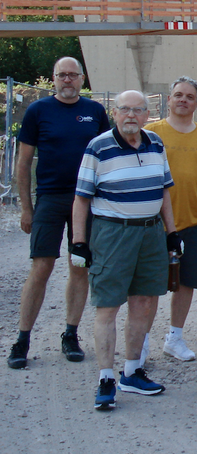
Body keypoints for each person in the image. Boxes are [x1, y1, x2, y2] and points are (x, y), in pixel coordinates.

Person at [71, 90, 180, 410]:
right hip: (112, 234)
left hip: (150, 233)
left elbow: (164, 191)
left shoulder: (156, 144)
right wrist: (79, 242)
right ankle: (106, 377)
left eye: (138, 110)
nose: (131, 115)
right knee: (107, 306)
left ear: (147, 114)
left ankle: (132, 372)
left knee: (144, 302)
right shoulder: (98, 147)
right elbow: (81, 198)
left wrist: (171, 234)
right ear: (114, 113)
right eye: (124, 110)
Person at [7, 57, 110, 370]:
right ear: (53, 79)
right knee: (41, 266)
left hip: (87, 200)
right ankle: (22, 339)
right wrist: (26, 208)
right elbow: (23, 164)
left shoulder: (95, 112)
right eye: (62, 75)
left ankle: (70, 334)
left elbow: (108, 156)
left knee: (79, 265)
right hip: (50, 199)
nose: (67, 80)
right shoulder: (39, 111)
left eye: (73, 75)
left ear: (81, 79)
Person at [145, 77, 197, 362]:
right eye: (178, 95)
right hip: (155, 224)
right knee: (150, 282)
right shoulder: (151, 133)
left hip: (195, 221)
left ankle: (174, 337)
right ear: (168, 99)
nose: (183, 100)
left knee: (186, 280)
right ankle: (140, 340)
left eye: (189, 96)